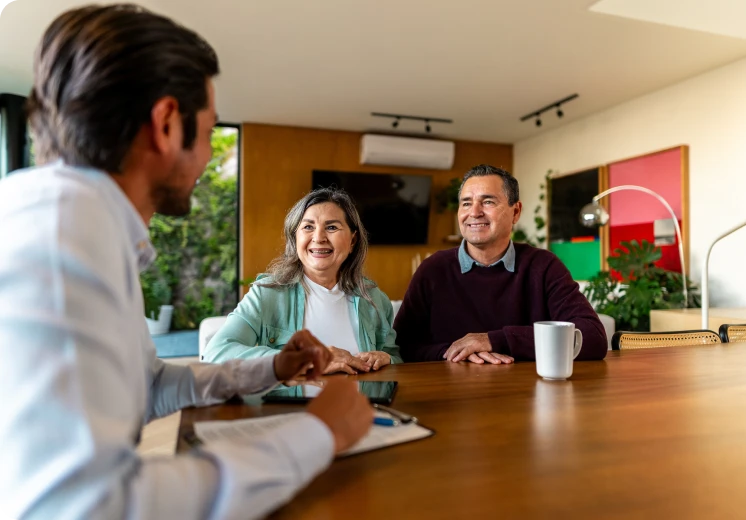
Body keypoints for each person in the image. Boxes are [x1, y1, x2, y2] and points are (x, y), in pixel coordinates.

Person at [0, 5, 373, 519]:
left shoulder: (88, 228)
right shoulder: (63, 240)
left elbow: (150, 386)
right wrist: (317, 435)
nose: (206, 157)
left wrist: (272, 367)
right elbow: (87, 507)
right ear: (167, 123)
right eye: (211, 130)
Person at [394, 164, 607, 364]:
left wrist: (494, 340)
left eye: (488, 202)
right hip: (450, 397)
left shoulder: (543, 266)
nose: (474, 212)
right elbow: (400, 347)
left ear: (515, 212)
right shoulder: (433, 269)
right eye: (466, 203)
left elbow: (592, 337)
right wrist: (459, 353)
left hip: (528, 397)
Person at [205, 188, 402, 373]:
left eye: (331, 227)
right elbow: (217, 353)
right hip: (292, 410)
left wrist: (387, 359)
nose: (319, 237)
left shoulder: (375, 299)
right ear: (295, 238)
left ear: (352, 240)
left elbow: (397, 360)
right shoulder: (267, 294)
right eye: (308, 227)